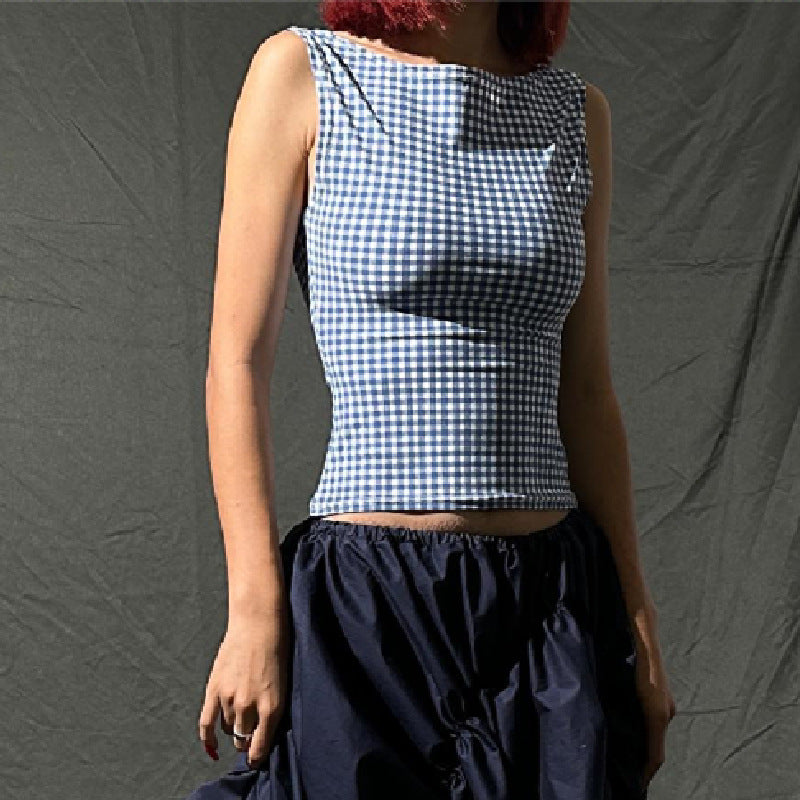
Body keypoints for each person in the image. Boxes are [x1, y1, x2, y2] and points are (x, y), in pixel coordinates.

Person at [186, 1, 676, 798]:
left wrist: (638, 623)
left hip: (550, 604)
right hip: (369, 608)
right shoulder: (307, 73)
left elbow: (588, 393)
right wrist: (254, 612)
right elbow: (236, 365)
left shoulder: (575, 112)